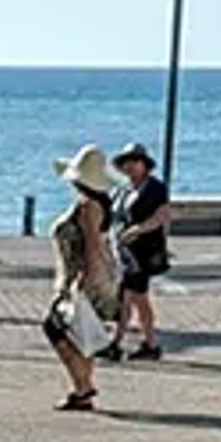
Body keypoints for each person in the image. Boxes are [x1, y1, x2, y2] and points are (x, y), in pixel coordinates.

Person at [43, 146, 124, 412]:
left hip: (81, 277)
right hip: (92, 276)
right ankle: (82, 389)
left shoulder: (87, 206)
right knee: (82, 335)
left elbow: (92, 244)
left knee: (56, 328)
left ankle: (83, 386)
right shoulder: (98, 204)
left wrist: (84, 279)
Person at [110, 142, 174, 361]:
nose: (130, 166)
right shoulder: (122, 189)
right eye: (126, 162)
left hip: (143, 252)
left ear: (144, 164)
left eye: (135, 161)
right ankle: (150, 344)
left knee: (129, 296)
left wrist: (139, 229)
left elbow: (162, 215)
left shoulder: (155, 188)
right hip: (125, 252)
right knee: (137, 298)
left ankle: (117, 343)